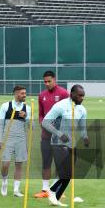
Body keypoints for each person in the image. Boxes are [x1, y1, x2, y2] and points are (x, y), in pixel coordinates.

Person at [42, 85, 89, 207]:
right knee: (65, 172)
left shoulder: (82, 109)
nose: (82, 98)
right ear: (72, 94)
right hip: (58, 143)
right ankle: (51, 190)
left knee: (69, 174)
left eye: (83, 95)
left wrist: (85, 137)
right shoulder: (60, 106)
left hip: (72, 144)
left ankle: (55, 199)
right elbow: (45, 122)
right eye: (79, 95)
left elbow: (82, 127)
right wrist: (59, 134)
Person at [35, 70, 70, 198]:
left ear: (55, 79)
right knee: (46, 162)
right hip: (45, 135)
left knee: (60, 163)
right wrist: (41, 123)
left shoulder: (64, 94)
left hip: (58, 136)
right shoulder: (41, 95)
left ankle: (58, 189)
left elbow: (66, 113)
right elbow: (40, 114)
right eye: (45, 81)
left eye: (49, 81)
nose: (47, 83)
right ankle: (45, 190)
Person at [0, 85, 32, 197]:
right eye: (22, 93)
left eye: (25, 93)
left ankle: (16, 190)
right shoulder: (6, 106)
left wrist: (26, 117)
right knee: (5, 164)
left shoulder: (27, 108)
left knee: (19, 164)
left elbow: (32, 127)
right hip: (7, 139)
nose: (24, 95)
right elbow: (0, 124)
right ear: (16, 94)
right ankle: (4, 183)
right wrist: (0, 140)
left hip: (21, 139)